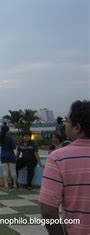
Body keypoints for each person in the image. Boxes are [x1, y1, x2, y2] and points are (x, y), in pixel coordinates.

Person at [39, 100, 90, 235]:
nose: (65, 124)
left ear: (77, 127)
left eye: (67, 120)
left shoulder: (59, 158)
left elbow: (48, 211)